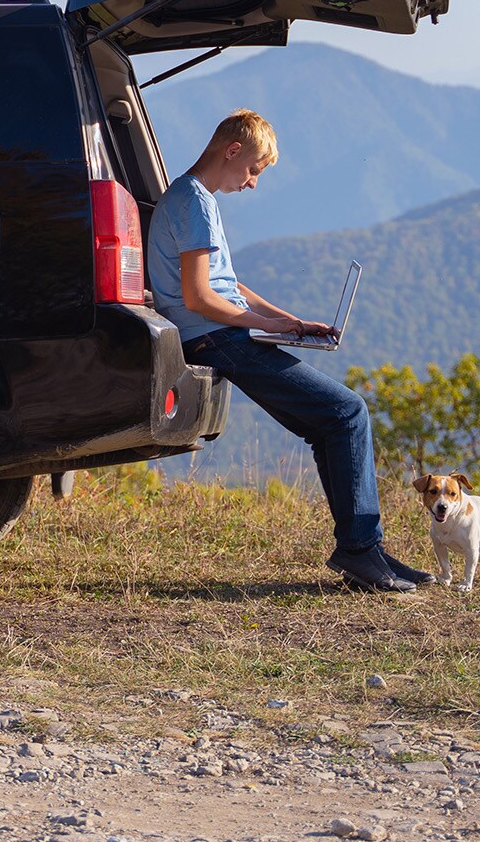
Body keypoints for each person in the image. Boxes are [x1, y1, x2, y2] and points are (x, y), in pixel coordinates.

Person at [147, 109, 430, 592]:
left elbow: (227, 283)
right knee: (347, 412)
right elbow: (198, 297)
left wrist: (286, 322)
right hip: (216, 337)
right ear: (233, 152)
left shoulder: (196, 198)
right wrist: (262, 325)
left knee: (330, 424)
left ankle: (368, 549)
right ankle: (360, 551)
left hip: (226, 332)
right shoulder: (194, 202)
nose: (254, 182)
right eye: (255, 170)